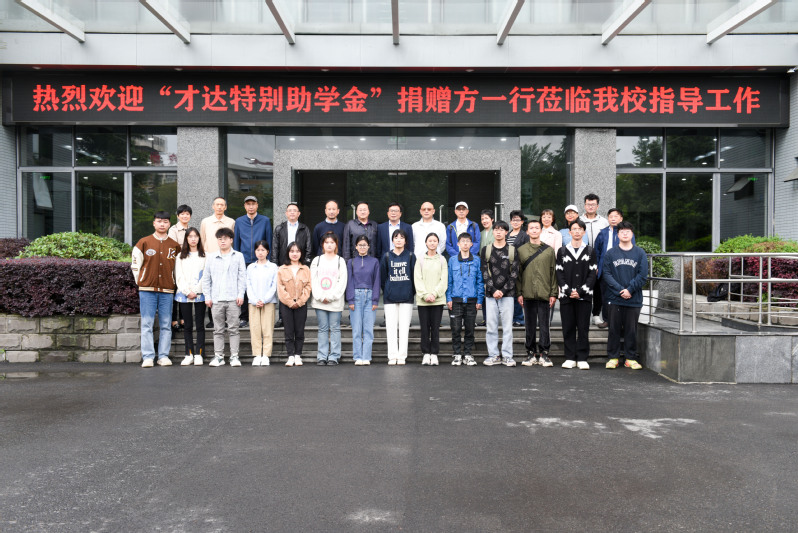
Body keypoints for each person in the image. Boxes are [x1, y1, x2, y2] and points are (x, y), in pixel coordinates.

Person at [131, 211, 180, 368]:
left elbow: (178, 269)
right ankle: (148, 357)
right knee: (147, 324)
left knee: (166, 324)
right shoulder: (144, 242)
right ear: (154, 223)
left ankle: (163, 356)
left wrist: (175, 283)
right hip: (147, 289)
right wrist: (141, 281)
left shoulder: (174, 245)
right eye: (159, 221)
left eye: (165, 222)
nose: (162, 224)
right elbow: (135, 265)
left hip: (167, 290)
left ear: (169, 224)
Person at [603, 220, 648, 370]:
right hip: (614, 298)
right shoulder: (610, 253)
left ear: (632, 234)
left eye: (627, 231)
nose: (625, 234)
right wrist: (620, 290)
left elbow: (643, 275)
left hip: (634, 299)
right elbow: (607, 274)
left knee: (631, 330)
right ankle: (613, 357)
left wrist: (630, 290)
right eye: (622, 231)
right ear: (617, 235)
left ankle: (630, 358)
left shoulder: (640, 253)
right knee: (613, 329)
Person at [202, 227, 247, 367]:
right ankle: (219, 356)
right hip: (216, 299)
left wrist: (240, 294)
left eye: (225, 238)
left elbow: (242, 277)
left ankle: (234, 356)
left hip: (233, 299)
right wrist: (207, 296)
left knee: (234, 329)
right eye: (220, 239)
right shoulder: (211, 257)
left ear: (231, 240)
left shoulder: (238, 256)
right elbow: (206, 278)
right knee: (218, 330)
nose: (222, 241)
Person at [556, 219, 597, 370]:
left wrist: (580, 291)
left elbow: (592, 274)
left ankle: (582, 358)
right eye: (574, 229)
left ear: (584, 232)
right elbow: (559, 273)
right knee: (568, 327)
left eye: (580, 229)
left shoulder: (590, 251)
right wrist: (568, 291)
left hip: (584, 297)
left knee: (583, 327)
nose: (577, 231)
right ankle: (570, 357)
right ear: (569, 232)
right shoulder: (562, 251)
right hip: (566, 297)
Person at [516, 219, 557, 367]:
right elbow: (518, 274)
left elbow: (553, 273)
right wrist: (519, 293)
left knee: (545, 325)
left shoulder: (549, 250)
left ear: (541, 230)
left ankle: (544, 353)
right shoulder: (521, 250)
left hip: (545, 293)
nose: (534, 230)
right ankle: (530, 353)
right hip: (527, 293)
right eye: (531, 228)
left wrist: (553, 293)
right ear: (527, 231)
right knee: (530, 325)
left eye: (536, 228)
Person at [481, 221, 520, 367]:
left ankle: (507, 356)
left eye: (501, 229)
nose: (498, 232)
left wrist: (503, 291)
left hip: (508, 294)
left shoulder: (512, 250)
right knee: (491, 327)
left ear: (506, 232)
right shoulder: (486, 250)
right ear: (493, 232)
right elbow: (484, 271)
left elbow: (514, 273)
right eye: (496, 229)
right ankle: (493, 355)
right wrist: (493, 290)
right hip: (490, 294)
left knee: (507, 327)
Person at [234, 195, 272, 329]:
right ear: (245, 206)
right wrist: (237, 259)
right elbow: (236, 242)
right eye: (248, 204)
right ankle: (244, 317)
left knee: (260, 286)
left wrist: (268, 259)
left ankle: (262, 314)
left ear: (257, 205)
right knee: (244, 288)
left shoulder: (265, 220)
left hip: (260, 259)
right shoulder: (239, 221)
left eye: (253, 204)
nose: (251, 207)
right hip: (243, 260)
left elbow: (268, 240)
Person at [593, 208, 635, 329]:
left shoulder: (626, 234)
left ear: (621, 218)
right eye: (610, 216)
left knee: (620, 293)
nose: (613, 219)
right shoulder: (603, 233)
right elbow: (597, 251)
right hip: (605, 269)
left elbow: (632, 250)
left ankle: (620, 321)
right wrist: (597, 266)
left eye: (616, 216)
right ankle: (606, 319)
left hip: (621, 268)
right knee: (605, 296)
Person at [272, 202, 312, 327]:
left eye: (295, 210)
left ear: (299, 213)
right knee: (284, 289)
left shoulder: (304, 228)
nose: (292, 212)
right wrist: (275, 263)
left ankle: (299, 316)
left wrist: (305, 263)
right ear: (286, 213)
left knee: (299, 288)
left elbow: (308, 247)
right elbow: (275, 247)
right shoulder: (280, 228)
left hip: (299, 263)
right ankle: (282, 318)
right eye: (290, 210)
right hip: (283, 263)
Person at [447, 232, 484, 366]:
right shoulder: (452, 260)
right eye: (462, 241)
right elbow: (449, 280)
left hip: (471, 300)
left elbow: (480, 281)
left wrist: (479, 300)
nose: (465, 244)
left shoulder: (476, 260)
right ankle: (457, 354)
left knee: (470, 329)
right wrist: (448, 298)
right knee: (455, 329)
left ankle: (468, 354)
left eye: (468, 241)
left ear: (471, 244)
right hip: (456, 300)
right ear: (458, 244)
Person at [311, 233, 348, 365]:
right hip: (319, 301)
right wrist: (320, 296)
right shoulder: (317, 260)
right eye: (326, 242)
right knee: (323, 328)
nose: (329, 245)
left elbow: (342, 281)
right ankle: (322, 356)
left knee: (335, 328)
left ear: (336, 245)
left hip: (335, 302)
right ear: (323, 245)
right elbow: (313, 280)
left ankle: (334, 356)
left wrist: (331, 297)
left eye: (332, 242)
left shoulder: (340, 261)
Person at [381, 229, 416, 365]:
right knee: (390, 328)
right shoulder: (386, 256)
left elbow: (414, 277)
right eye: (396, 237)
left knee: (404, 328)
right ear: (392, 240)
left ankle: (402, 356)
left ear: (405, 241)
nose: (399, 240)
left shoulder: (411, 256)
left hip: (406, 297)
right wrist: (388, 290)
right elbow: (383, 278)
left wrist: (410, 292)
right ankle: (392, 356)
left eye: (402, 237)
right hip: (390, 298)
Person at [199, 197, 235, 328]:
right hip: (210, 257)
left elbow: (233, 240)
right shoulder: (205, 221)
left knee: (225, 285)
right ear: (213, 206)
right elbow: (202, 240)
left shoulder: (231, 222)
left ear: (225, 207)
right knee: (212, 286)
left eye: (222, 205)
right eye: (217, 204)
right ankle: (212, 319)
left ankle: (226, 318)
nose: (219, 207)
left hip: (227, 258)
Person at [346, 235, 380, 366]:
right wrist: (350, 300)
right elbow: (349, 281)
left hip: (369, 296)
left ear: (368, 247)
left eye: (364, 245)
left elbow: (377, 281)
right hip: (355, 296)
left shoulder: (374, 262)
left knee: (368, 329)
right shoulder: (351, 262)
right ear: (356, 247)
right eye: (360, 245)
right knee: (356, 329)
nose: (362, 247)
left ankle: (366, 356)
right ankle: (357, 356)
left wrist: (375, 300)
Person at [414, 233, 448, 366]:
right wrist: (425, 295)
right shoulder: (420, 259)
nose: (432, 243)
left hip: (437, 300)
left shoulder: (442, 260)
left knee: (435, 328)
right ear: (426, 243)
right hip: (423, 301)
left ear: (438, 243)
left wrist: (434, 294)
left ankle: (434, 353)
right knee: (424, 328)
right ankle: (426, 353)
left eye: (435, 241)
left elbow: (444, 280)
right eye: (430, 241)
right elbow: (418, 279)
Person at [174, 227, 206, 366]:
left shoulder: (205, 256)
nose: (193, 239)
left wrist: (196, 291)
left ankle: (199, 353)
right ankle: (189, 354)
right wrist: (187, 291)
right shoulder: (180, 256)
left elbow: (206, 276)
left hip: (200, 294)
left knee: (200, 325)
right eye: (190, 236)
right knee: (187, 325)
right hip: (184, 294)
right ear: (186, 239)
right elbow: (179, 276)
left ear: (199, 238)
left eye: (195, 236)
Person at [277, 242, 312, 367]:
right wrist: (290, 302)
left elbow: (308, 287)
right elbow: (280, 288)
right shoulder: (282, 269)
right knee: (289, 331)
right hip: (286, 305)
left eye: (297, 251)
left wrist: (300, 301)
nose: (295, 254)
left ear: (301, 253)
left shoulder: (305, 269)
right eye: (292, 251)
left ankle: (298, 355)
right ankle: (290, 356)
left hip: (301, 305)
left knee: (299, 331)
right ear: (288, 253)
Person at [246, 240, 278, 366]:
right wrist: (255, 300)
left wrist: (264, 300)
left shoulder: (273, 267)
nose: (260, 252)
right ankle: (257, 354)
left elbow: (274, 286)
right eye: (258, 250)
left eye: (263, 250)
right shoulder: (250, 267)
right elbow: (248, 285)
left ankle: (266, 355)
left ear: (267, 251)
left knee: (267, 329)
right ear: (255, 251)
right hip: (253, 302)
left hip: (268, 302)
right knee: (255, 329)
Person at [580, 194, 609, 327]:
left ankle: (596, 315)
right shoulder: (579, 220)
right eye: (588, 204)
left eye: (593, 205)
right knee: (583, 286)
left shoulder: (604, 222)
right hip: (581, 258)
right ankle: (583, 315)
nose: (590, 207)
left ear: (597, 206)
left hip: (598, 258)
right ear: (584, 205)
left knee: (597, 287)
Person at [168, 204, 193, 333]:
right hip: (176, 264)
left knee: (185, 290)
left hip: (188, 265)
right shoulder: (173, 230)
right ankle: (174, 320)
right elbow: (172, 248)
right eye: (182, 214)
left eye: (187, 214)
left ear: (190, 216)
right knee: (175, 291)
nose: (185, 216)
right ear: (178, 216)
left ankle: (183, 319)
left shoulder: (191, 230)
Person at [507, 209, 528, 327]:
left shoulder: (525, 236)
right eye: (513, 220)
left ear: (522, 222)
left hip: (519, 267)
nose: (515, 222)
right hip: (506, 269)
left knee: (517, 293)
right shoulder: (507, 234)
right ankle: (511, 318)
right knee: (509, 293)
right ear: (510, 221)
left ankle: (519, 318)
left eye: (518, 220)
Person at [477, 209, 495, 327]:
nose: (484, 221)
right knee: (484, 291)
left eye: (486, 218)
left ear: (492, 219)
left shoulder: (496, 231)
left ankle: (493, 318)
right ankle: (485, 318)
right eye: (482, 219)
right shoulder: (480, 233)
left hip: (495, 265)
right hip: (483, 265)